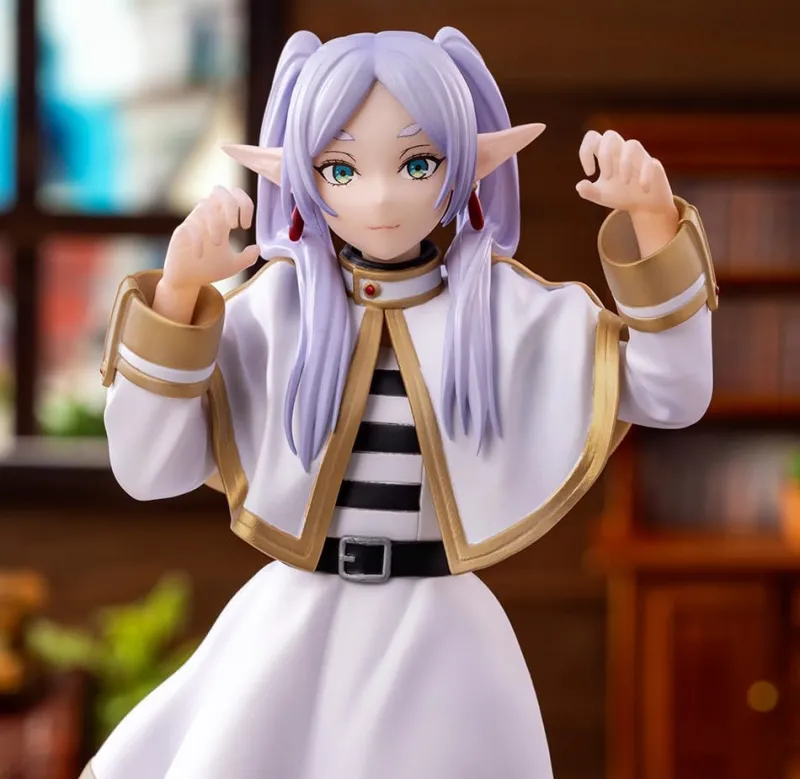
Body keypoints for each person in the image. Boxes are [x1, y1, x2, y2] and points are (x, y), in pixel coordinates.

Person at [85, 26, 716, 779]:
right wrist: (179, 291)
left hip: (442, 642)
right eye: (340, 168)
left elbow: (674, 393)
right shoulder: (274, 315)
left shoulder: (508, 314)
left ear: (466, 166)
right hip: (292, 628)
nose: (381, 197)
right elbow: (149, 469)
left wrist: (653, 222)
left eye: (418, 163)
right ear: (302, 175)